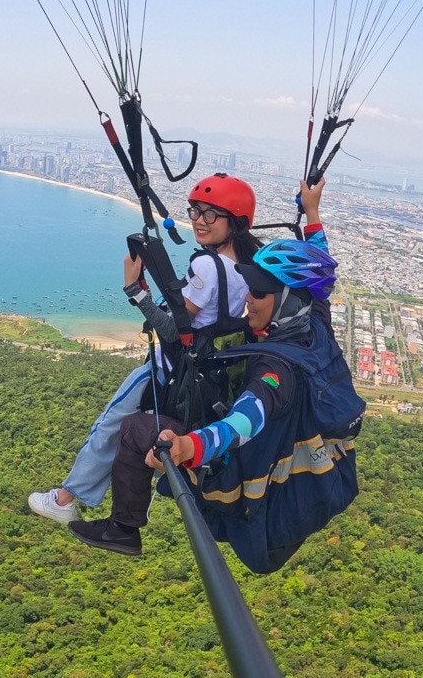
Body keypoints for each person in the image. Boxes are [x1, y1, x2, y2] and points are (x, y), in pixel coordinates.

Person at [68, 178, 365, 572]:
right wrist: (312, 210)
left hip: (261, 517)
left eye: (258, 293)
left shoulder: (276, 368)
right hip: (316, 487)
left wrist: (188, 448)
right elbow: (318, 269)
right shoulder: (316, 323)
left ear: (286, 301)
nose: (248, 299)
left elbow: (245, 419)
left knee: (137, 428)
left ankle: (123, 526)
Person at [27, 173, 263, 523]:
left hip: (169, 370)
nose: (199, 220)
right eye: (195, 211)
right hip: (204, 375)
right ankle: (91, 501)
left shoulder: (207, 266)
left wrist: (135, 292)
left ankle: (65, 498)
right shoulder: (247, 267)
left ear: (236, 222)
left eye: (211, 213)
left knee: (108, 423)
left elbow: (174, 329)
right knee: (120, 427)